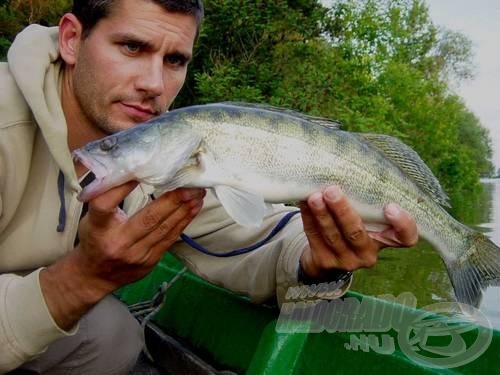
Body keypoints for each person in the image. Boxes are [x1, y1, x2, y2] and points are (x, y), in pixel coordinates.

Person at [0, 0, 418, 373]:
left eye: (176, 60)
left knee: (114, 337)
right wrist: (81, 279)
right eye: (132, 47)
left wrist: (315, 259)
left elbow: (252, 235)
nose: (154, 84)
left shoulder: (158, 152)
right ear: (72, 39)